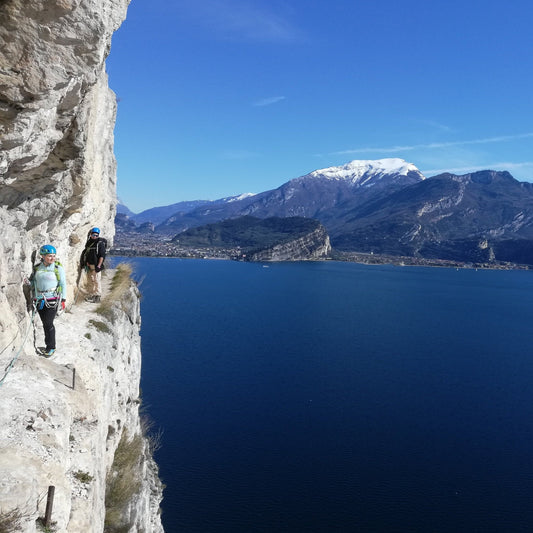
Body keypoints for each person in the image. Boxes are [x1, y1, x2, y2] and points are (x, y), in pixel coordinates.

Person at [31, 245, 67, 358]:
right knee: (45, 323)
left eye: (53, 256)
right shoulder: (37, 268)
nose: (52, 258)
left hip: (52, 299)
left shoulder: (57, 268)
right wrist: (28, 283)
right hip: (40, 299)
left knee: (48, 323)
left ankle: (51, 347)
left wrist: (64, 300)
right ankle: (49, 345)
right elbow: (35, 283)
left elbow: (62, 284)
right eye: (49, 256)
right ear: (43, 256)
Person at [80, 226, 107, 303]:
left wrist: (98, 266)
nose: (95, 236)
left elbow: (102, 256)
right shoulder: (89, 243)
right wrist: (86, 263)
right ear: (90, 234)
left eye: (96, 235)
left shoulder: (100, 244)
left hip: (96, 265)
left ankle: (97, 296)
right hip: (90, 265)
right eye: (93, 235)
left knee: (97, 280)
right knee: (91, 280)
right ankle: (92, 295)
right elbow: (87, 253)